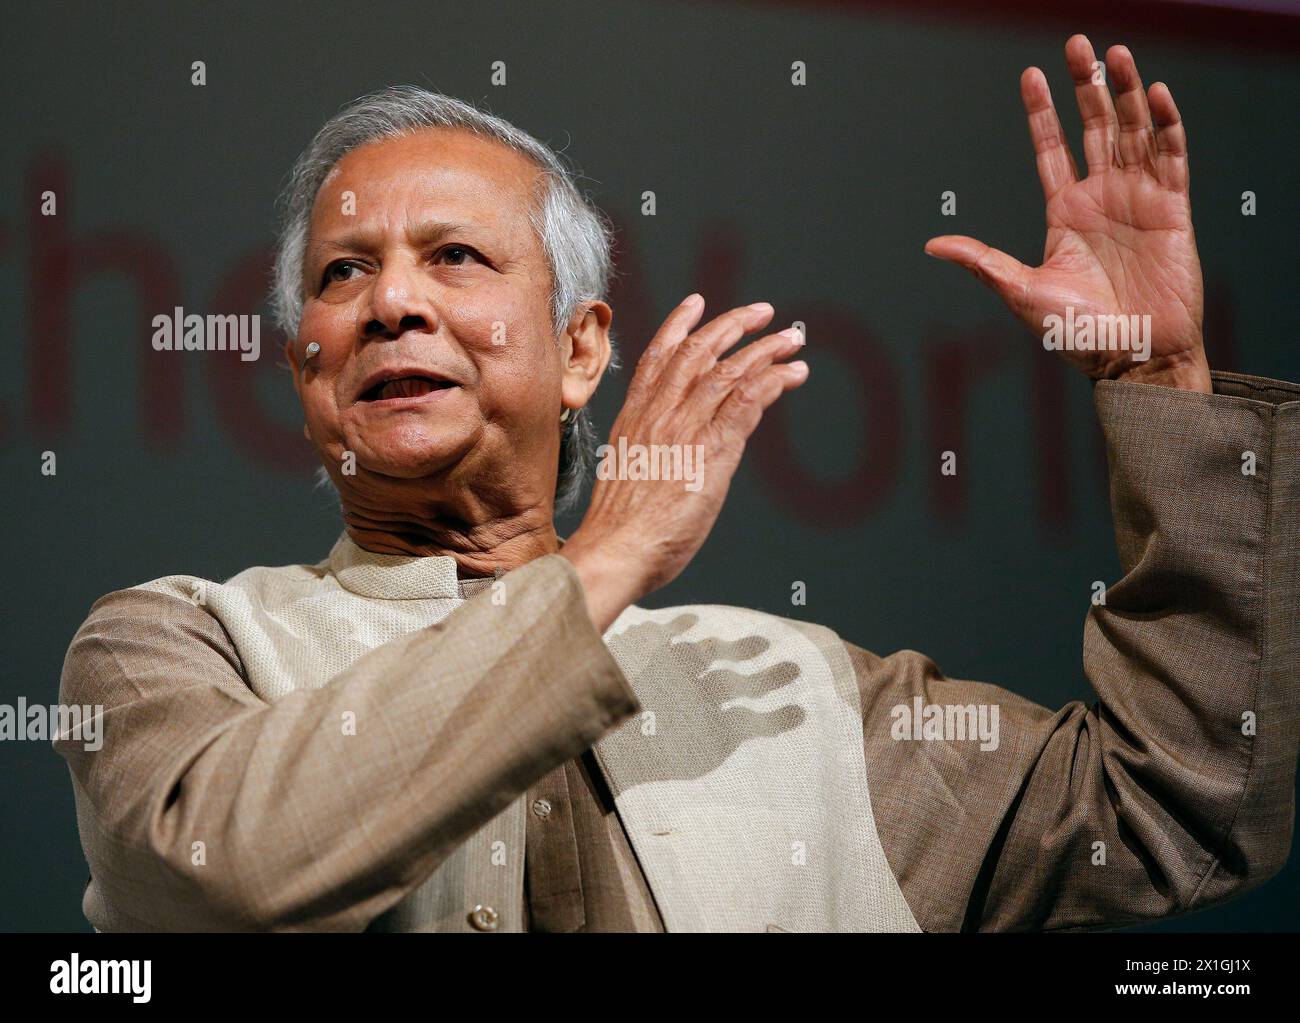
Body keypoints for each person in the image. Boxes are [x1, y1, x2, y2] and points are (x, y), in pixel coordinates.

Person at [55, 34, 1296, 932]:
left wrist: (1158, 373)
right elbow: (205, 875)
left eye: (455, 257)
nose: (392, 302)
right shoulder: (173, 646)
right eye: (341, 275)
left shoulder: (793, 700)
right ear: (305, 372)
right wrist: (605, 555)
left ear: (581, 350)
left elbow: (1183, 800)